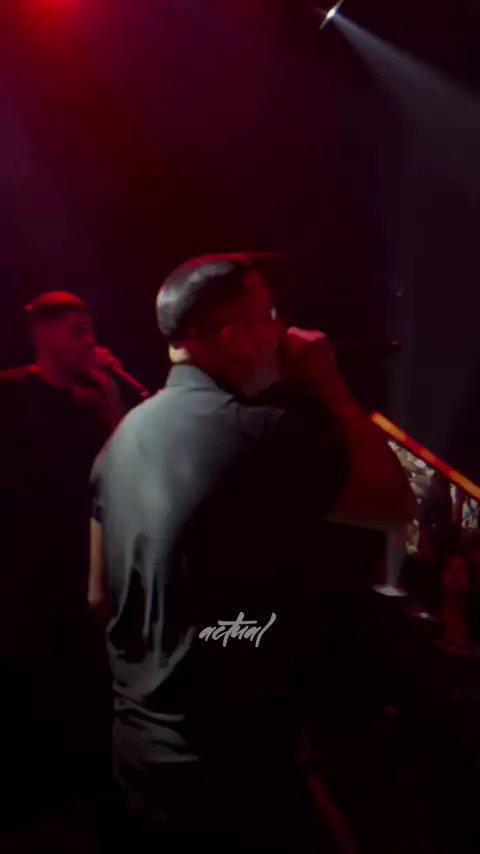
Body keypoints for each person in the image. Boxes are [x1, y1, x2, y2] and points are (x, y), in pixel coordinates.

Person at [89, 254, 415, 850]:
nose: (283, 327)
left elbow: (97, 598)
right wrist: (330, 385)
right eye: (270, 314)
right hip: (230, 773)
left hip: (137, 751)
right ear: (234, 337)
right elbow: (395, 508)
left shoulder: (121, 438)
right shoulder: (263, 433)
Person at [0, 291, 112, 828]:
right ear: (42, 335)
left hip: (79, 563)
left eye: (90, 328)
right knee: (26, 677)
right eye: (77, 330)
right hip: (21, 566)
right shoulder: (9, 392)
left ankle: (75, 799)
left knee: (78, 678)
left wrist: (110, 393)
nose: (89, 340)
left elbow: (115, 471)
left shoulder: (91, 402)